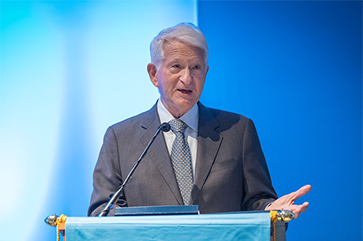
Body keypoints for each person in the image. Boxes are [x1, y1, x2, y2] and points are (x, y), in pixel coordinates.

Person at [88, 22, 310, 217]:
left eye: (196, 67)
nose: (187, 78)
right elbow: (103, 213)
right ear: (154, 74)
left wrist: (270, 211)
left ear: (206, 73)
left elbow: (257, 201)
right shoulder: (120, 138)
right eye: (176, 66)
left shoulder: (238, 131)